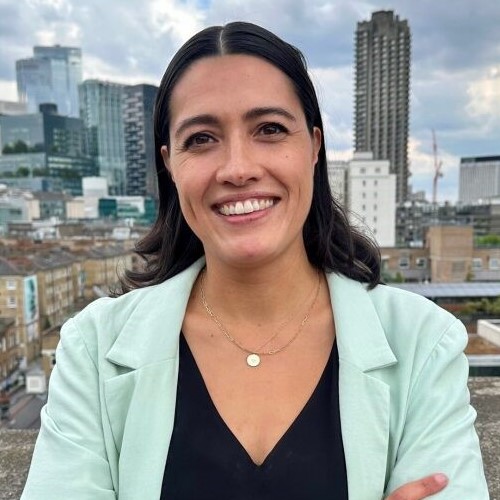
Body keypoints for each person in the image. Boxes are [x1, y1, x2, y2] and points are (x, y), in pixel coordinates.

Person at [22, 22, 488, 499]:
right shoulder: (93, 349)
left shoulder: (423, 344)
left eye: (269, 129)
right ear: (169, 163)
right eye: (202, 138)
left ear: (314, 146)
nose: (238, 168)